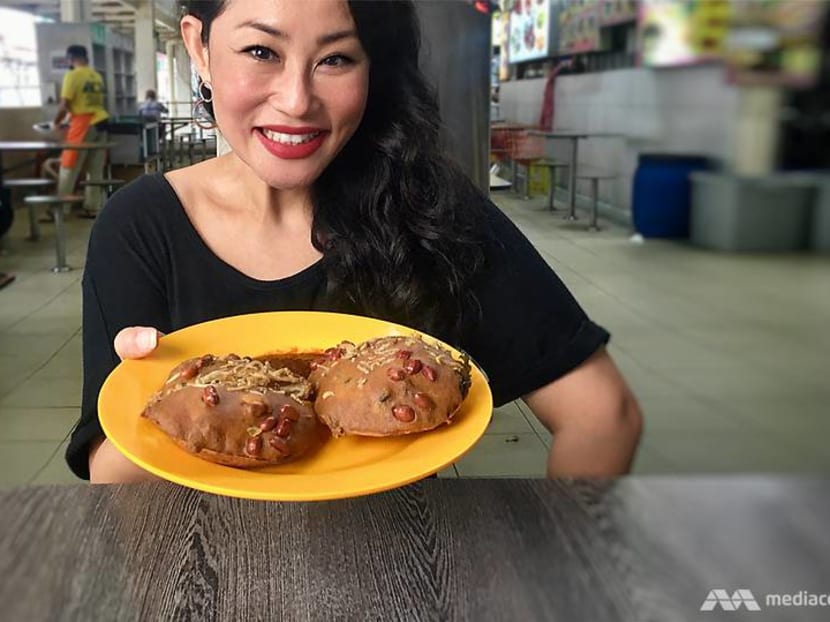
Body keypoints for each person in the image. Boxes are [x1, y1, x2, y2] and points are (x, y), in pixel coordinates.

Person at [67, 0, 642, 484]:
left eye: (336, 58)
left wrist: (551, 578)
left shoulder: (427, 206)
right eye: (262, 52)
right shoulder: (139, 224)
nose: (296, 100)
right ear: (200, 47)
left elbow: (604, 414)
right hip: (203, 581)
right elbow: (109, 475)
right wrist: (149, 392)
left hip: (404, 579)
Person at [52, 45, 110, 218]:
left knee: (68, 166)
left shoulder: (73, 75)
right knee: (95, 168)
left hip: (84, 123)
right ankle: (93, 207)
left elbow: (65, 104)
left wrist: (56, 123)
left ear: (70, 58)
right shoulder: (95, 76)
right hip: (102, 120)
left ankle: (62, 209)